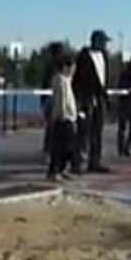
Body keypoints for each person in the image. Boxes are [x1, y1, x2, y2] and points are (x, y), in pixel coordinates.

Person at [73, 30, 111, 173]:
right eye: (103, 42)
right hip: (87, 98)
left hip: (100, 97)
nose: (105, 45)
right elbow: (77, 80)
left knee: (98, 132)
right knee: (84, 132)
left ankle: (95, 161)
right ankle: (78, 163)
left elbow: (104, 79)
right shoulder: (82, 57)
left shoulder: (104, 56)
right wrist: (80, 99)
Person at [47, 53, 80, 181]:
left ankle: (61, 169)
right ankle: (54, 171)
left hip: (69, 117)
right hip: (63, 118)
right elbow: (61, 101)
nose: (74, 70)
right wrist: (61, 116)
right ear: (66, 67)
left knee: (68, 147)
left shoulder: (67, 80)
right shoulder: (60, 81)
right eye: (72, 67)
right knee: (61, 147)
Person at [40, 41, 65, 158]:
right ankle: (49, 149)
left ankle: (51, 149)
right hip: (51, 100)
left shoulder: (57, 66)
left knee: (54, 126)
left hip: (54, 99)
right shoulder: (52, 67)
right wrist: (44, 100)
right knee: (52, 126)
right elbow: (46, 84)